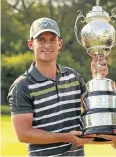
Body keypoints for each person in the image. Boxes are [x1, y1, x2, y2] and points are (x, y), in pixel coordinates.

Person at [7, 17, 108, 156]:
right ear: (31, 44)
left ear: (59, 43)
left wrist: (98, 78)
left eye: (52, 40)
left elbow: (93, 110)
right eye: (41, 40)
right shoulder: (21, 86)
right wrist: (65, 137)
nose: (47, 45)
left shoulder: (73, 76)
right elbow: (24, 134)